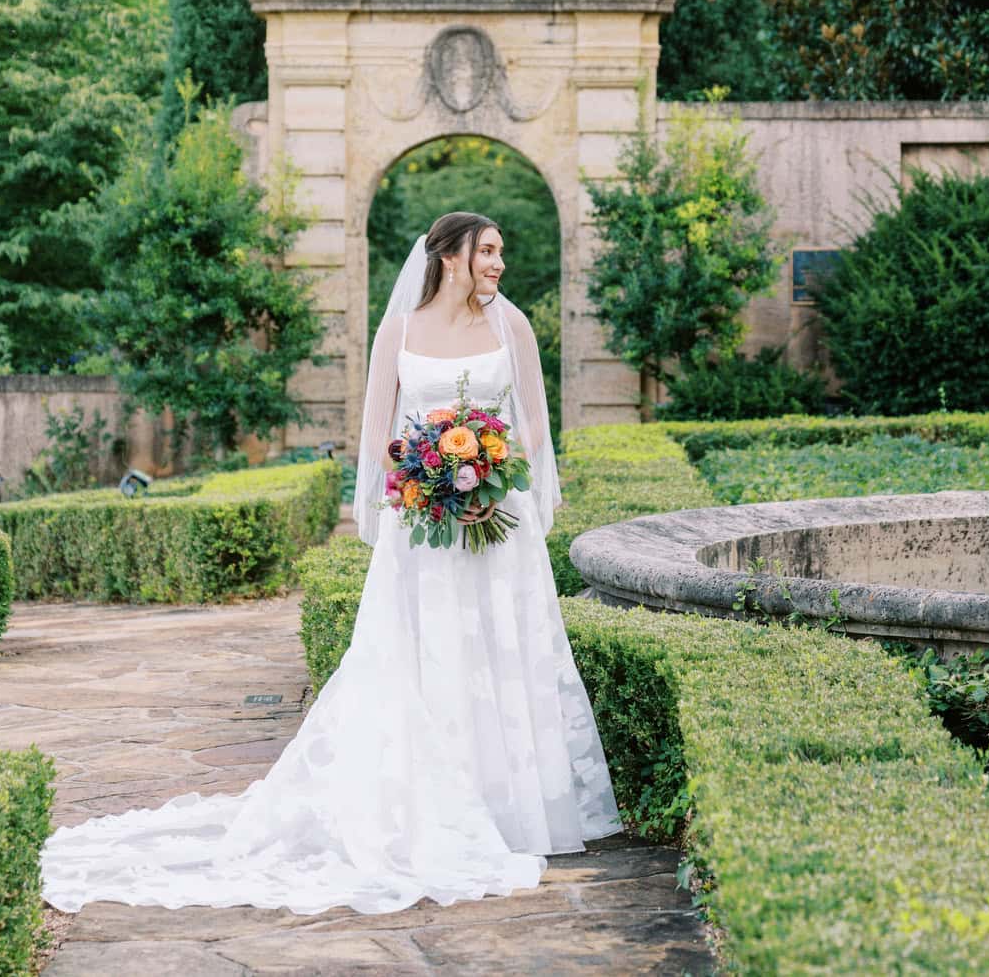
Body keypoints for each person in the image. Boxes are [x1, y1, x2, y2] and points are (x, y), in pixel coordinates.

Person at [40, 211, 620, 915]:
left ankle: (512, 809)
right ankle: (432, 808)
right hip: (423, 524)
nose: (499, 263)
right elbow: (377, 437)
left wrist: (491, 480)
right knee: (426, 655)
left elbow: (533, 424)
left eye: (502, 251)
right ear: (449, 256)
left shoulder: (512, 326)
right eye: (488, 251)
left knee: (503, 649)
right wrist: (434, 484)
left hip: (500, 523)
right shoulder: (399, 330)